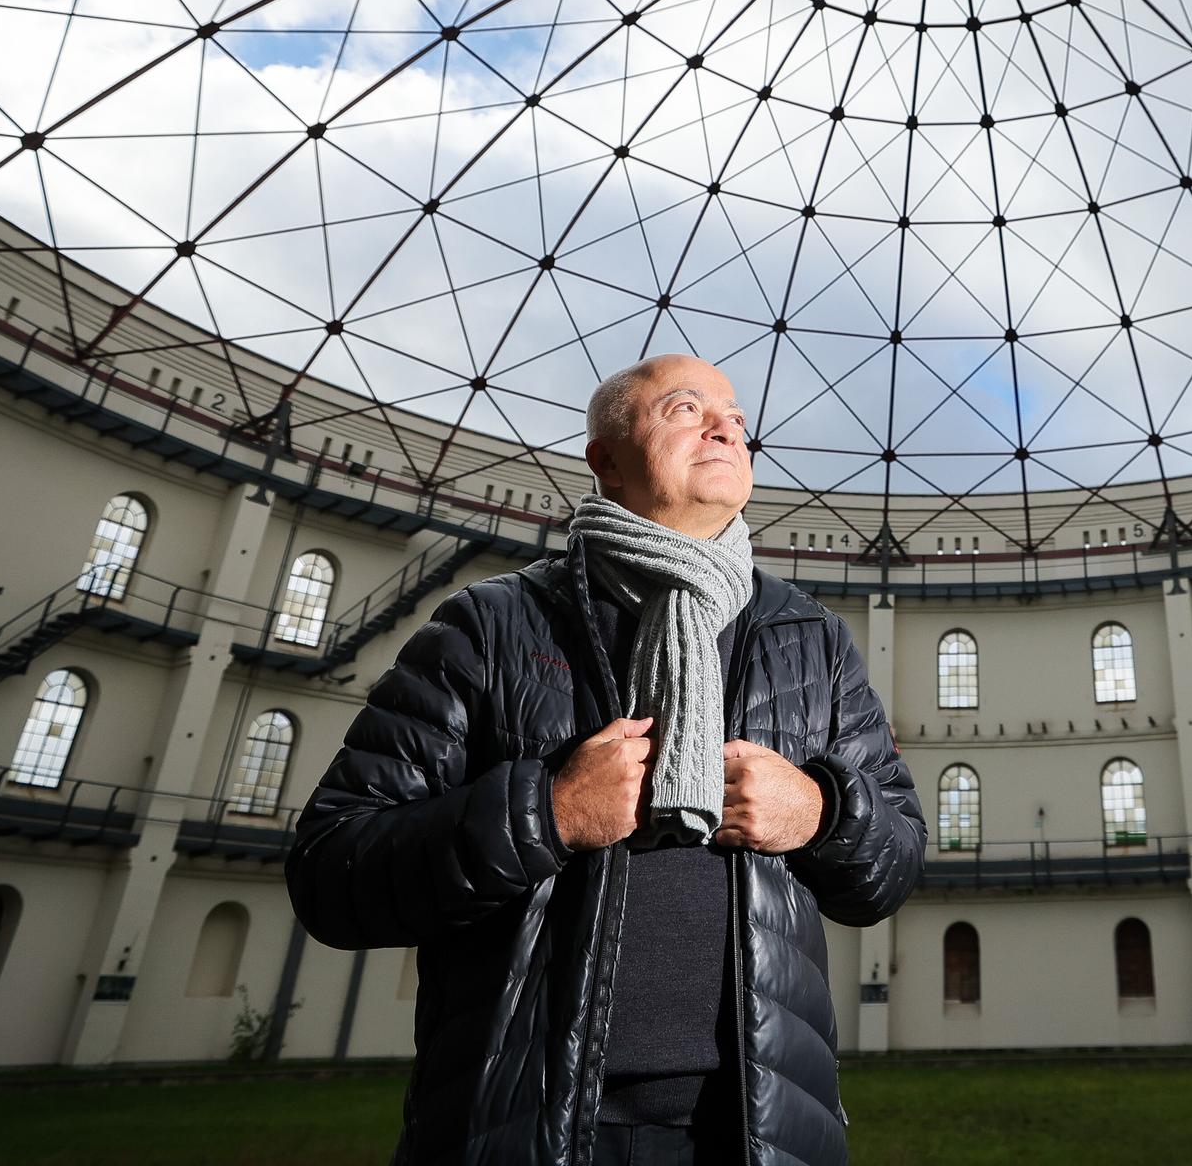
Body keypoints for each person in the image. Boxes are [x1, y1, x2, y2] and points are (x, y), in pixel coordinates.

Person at [285, 354, 925, 1166]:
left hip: (755, 1130)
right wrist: (545, 814)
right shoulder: (491, 627)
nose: (727, 425)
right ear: (607, 462)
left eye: (733, 414)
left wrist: (822, 814)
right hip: (527, 1128)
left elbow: (895, 864)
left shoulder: (812, 641)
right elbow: (331, 872)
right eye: (686, 409)